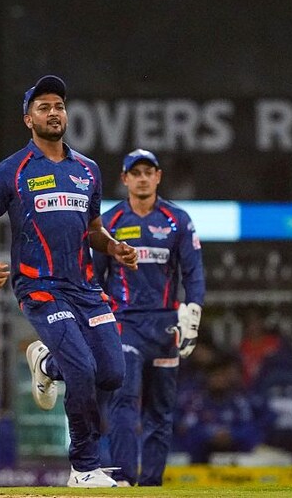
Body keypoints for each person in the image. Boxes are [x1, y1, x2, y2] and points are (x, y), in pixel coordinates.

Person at [0, 75, 138, 487]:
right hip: (40, 286)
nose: (53, 112)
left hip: (86, 288)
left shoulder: (87, 170)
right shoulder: (11, 170)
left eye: (59, 106)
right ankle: (84, 469)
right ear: (29, 119)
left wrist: (114, 247)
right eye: (43, 107)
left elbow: (94, 230)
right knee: (81, 370)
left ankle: (45, 362)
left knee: (112, 373)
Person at [93, 149, 204, 486]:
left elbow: (193, 273)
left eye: (148, 172)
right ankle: (125, 479)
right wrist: (98, 320)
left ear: (158, 177)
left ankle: (152, 485)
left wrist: (193, 313)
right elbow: (94, 277)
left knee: (160, 409)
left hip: (165, 326)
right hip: (124, 323)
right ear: (124, 179)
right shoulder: (109, 222)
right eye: (135, 173)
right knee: (124, 400)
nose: (142, 179)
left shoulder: (177, 220)